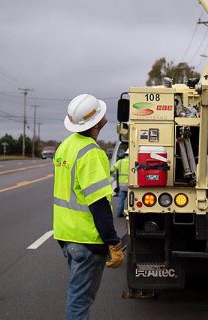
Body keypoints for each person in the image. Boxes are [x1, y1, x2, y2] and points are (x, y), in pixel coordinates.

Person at [53, 94, 124, 320]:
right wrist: (113, 241)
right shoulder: (91, 152)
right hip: (87, 240)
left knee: (77, 296)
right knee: (80, 301)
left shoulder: (65, 147)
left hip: (67, 236)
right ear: (98, 121)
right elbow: (98, 203)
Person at [110, 149, 129, 217]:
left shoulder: (120, 162)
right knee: (131, 200)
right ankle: (129, 213)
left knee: (121, 199)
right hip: (130, 185)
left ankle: (119, 213)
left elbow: (112, 169)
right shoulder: (133, 162)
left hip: (122, 184)